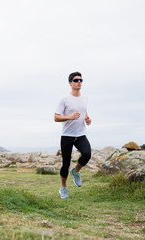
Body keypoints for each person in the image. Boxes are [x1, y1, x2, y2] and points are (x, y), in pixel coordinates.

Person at [54, 71, 92, 199]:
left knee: (87, 154)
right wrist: (70, 117)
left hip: (81, 134)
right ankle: (63, 188)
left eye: (81, 80)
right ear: (70, 83)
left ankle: (75, 171)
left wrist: (88, 120)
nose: (79, 82)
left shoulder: (85, 98)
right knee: (65, 163)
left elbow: (85, 113)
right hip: (67, 135)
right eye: (76, 80)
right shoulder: (64, 99)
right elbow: (56, 117)